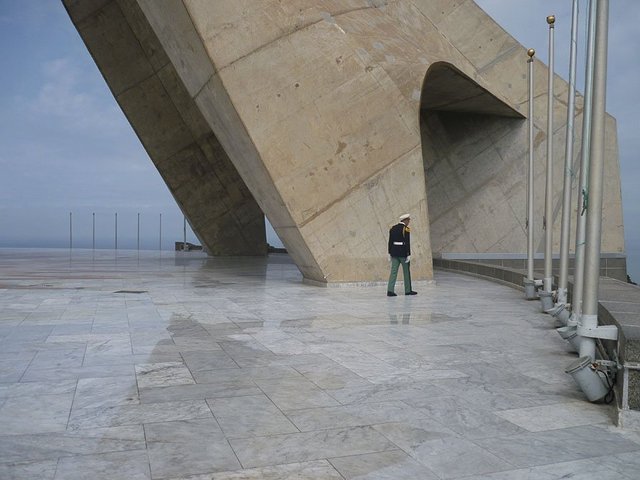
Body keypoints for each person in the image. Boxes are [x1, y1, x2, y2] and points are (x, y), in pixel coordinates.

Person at [387, 213, 417, 296]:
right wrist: (409, 254)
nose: (409, 222)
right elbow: (407, 242)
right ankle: (408, 290)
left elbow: (390, 242)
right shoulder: (406, 229)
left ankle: (390, 290)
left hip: (394, 252)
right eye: (408, 220)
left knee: (393, 272)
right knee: (406, 272)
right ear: (405, 220)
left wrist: (389, 252)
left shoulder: (393, 228)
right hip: (403, 253)